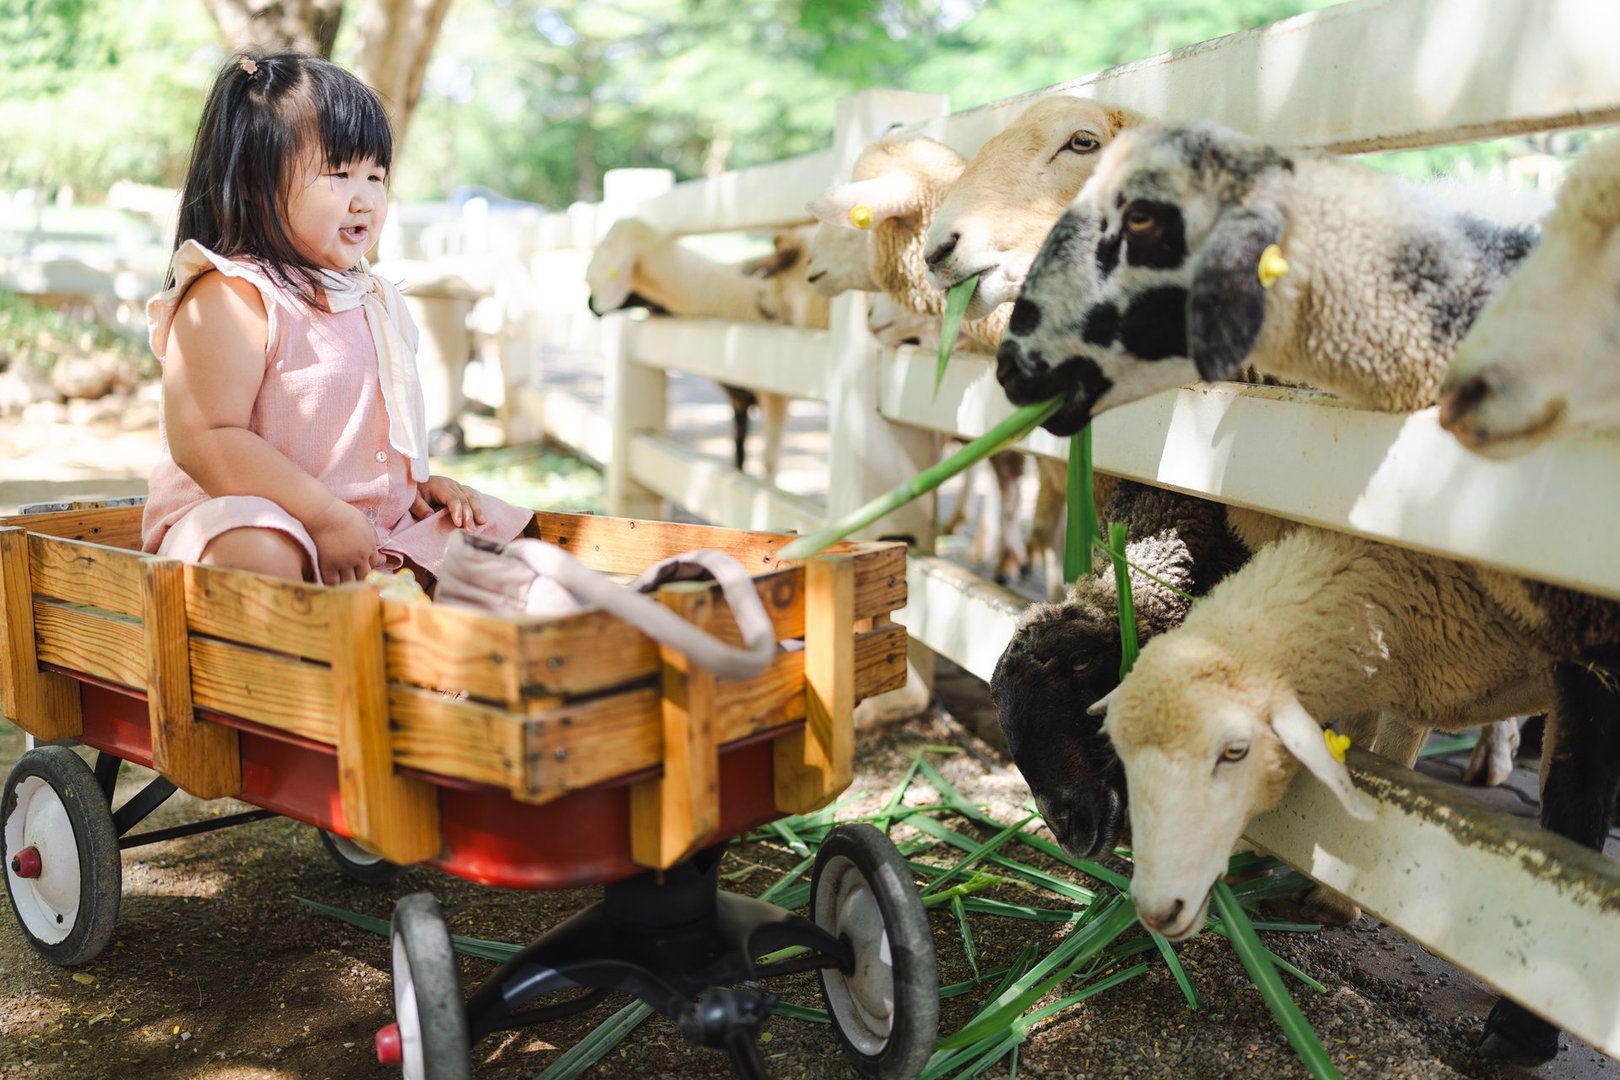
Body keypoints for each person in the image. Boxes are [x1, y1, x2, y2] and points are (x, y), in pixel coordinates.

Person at [141, 52, 531, 586]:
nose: (365, 198)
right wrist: (322, 515)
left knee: (496, 534)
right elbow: (205, 436)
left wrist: (415, 486)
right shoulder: (232, 295)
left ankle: (432, 638)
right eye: (340, 173)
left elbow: (358, 436)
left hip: (364, 528)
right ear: (257, 183)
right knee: (258, 546)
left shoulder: (371, 297)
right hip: (244, 518)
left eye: (376, 175)